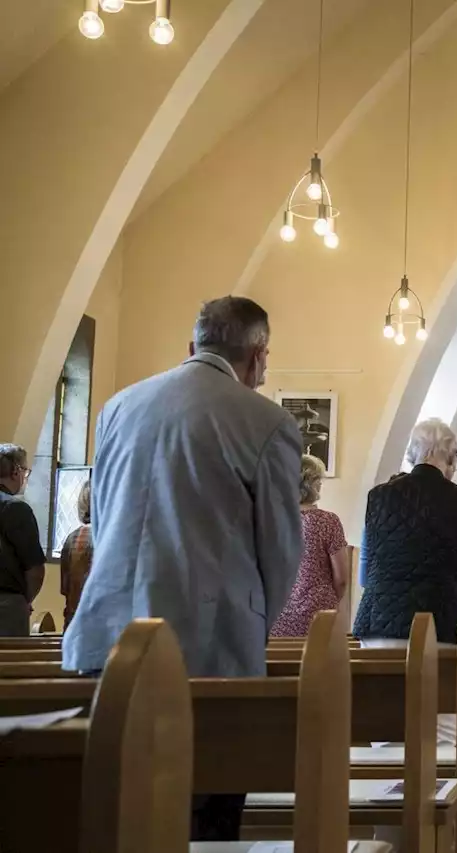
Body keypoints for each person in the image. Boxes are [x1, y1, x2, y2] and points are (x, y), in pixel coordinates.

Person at [62, 296, 302, 842]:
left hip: (105, 641)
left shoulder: (119, 407)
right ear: (259, 358)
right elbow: (282, 552)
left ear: (192, 347)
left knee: (120, 811)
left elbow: (102, 521)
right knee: (205, 817)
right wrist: (250, 632)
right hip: (207, 650)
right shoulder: (267, 422)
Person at [354, 418, 457, 646]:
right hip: (441, 625)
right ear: (451, 458)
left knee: (379, 683)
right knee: (440, 682)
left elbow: (365, 570)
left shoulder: (378, 496)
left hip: (379, 625)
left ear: (412, 454)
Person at [271, 455, 350, 638]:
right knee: (319, 665)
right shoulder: (328, 521)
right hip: (319, 615)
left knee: (282, 665)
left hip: (277, 615)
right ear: (312, 484)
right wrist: (331, 600)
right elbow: (341, 579)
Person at [0, 444, 44, 637]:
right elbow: (35, 568)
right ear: (16, 471)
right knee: (8, 665)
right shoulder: (16, 509)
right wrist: (26, 600)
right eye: (26, 470)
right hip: (6, 606)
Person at [59, 478, 94, 628]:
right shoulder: (114, 537)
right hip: (103, 624)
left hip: (74, 623)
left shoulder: (72, 538)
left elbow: (65, 587)